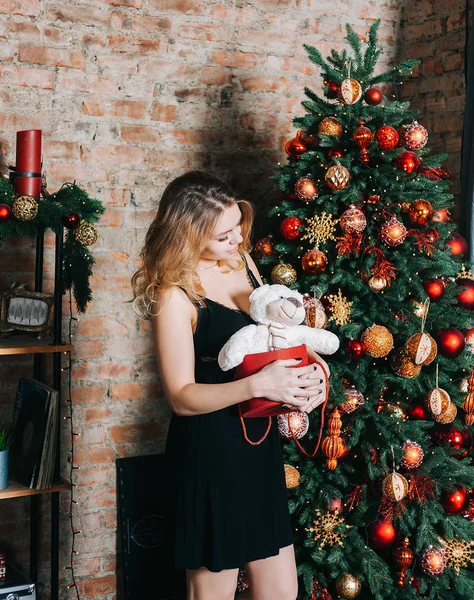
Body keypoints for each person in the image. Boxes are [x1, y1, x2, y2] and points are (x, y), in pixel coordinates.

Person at [131, 171, 330, 600]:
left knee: (281, 593)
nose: (238, 238)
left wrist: (311, 369)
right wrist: (260, 384)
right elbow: (181, 397)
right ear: (189, 234)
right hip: (209, 452)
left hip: (258, 447)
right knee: (212, 594)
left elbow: (273, 335)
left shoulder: (240, 261)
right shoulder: (173, 295)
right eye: (223, 234)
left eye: (238, 224)